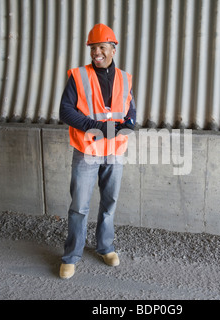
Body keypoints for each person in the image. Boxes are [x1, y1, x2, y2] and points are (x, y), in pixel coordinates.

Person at [58, 24, 136, 279]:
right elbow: (65, 111)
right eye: (93, 48)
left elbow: (129, 108)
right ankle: (71, 256)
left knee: (109, 203)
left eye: (102, 47)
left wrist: (130, 124)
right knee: (79, 206)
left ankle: (105, 247)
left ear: (113, 49)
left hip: (114, 150)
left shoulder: (124, 78)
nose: (97, 52)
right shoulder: (78, 76)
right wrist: (95, 126)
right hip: (87, 150)